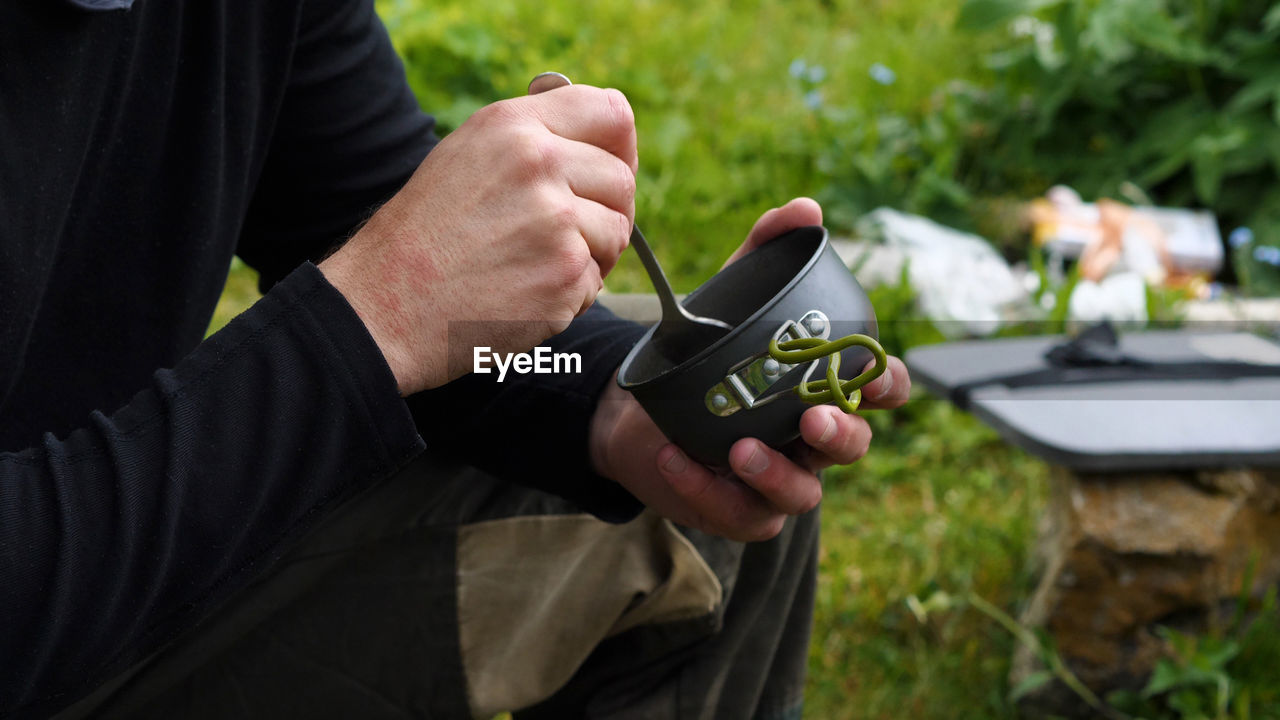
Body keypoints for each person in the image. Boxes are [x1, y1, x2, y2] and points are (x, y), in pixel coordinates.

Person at [0, 0, 910, 718]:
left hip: (120, 583)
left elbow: (352, 212)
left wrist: (603, 400)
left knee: (697, 483)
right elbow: (385, 312)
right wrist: (373, 315)